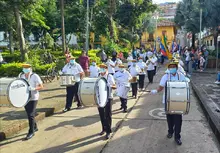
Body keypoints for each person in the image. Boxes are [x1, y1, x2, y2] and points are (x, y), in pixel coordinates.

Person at [150, 60, 187, 145]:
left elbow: (185, 87)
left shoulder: (181, 76)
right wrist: (155, 91)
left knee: (178, 119)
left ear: (176, 68)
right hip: (168, 100)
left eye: (174, 67)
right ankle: (170, 131)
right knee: (170, 118)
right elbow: (161, 87)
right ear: (168, 68)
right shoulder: (165, 77)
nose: (172, 68)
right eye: (170, 67)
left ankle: (177, 137)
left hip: (178, 101)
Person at [19, 63, 43, 140]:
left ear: (30, 68)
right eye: (24, 67)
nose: (25, 69)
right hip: (25, 98)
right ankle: (35, 126)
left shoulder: (35, 76)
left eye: (26, 67)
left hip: (33, 97)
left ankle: (31, 132)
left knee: (30, 114)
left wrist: (34, 88)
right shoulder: (21, 76)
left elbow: (41, 86)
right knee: (30, 114)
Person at [98, 63, 116, 139]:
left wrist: (110, 85)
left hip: (108, 98)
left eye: (103, 68)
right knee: (102, 114)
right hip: (100, 98)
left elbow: (115, 86)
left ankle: (108, 131)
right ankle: (104, 129)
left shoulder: (109, 76)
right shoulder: (98, 76)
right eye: (100, 68)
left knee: (108, 115)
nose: (102, 69)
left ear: (106, 69)